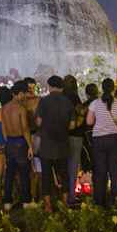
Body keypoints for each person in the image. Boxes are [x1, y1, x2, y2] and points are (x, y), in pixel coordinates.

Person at [86, 78, 117, 207]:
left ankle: (99, 203)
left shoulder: (94, 103)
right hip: (115, 141)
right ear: (113, 88)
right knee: (114, 172)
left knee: (100, 172)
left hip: (98, 140)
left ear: (102, 88)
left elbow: (89, 121)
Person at [35, 75, 74, 212]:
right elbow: (72, 125)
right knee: (63, 174)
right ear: (62, 87)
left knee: (46, 175)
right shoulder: (68, 102)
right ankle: (65, 203)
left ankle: (48, 205)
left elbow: (38, 122)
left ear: (50, 86)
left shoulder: (43, 101)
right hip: (63, 143)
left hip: (47, 144)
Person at [1, 83, 34, 210]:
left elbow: (4, 128)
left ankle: (7, 202)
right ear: (19, 93)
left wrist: (7, 141)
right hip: (20, 141)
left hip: (9, 141)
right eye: (23, 94)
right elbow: (25, 128)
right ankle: (26, 201)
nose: (24, 96)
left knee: (9, 173)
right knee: (24, 173)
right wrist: (30, 145)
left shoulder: (4, 108)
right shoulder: (21, 109)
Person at [63, 75, 86, 206]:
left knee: (62, 167)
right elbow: (81, 111)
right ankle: (71, 196)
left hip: (61, 136)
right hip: (75, 135)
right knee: (73, 166)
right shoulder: (74, 97)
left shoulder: (61, 97)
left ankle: (63, 195)